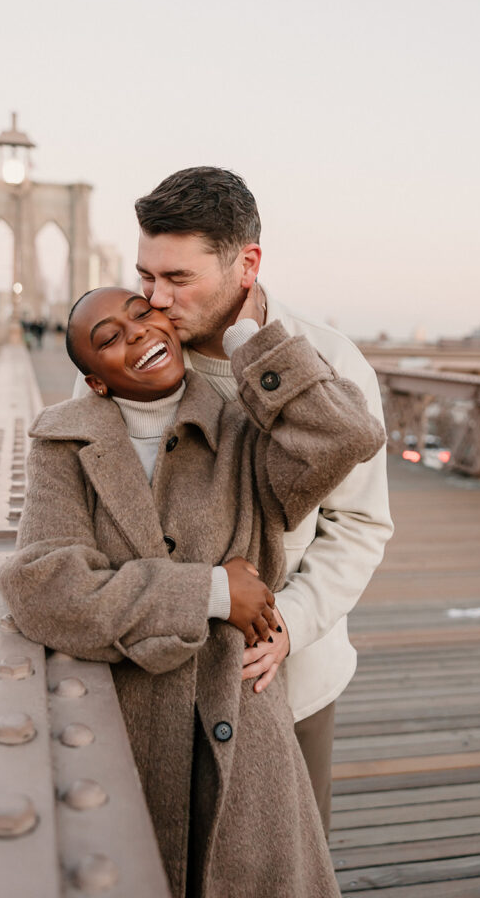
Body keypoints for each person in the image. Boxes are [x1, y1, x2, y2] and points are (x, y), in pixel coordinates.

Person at [0, 285, 385, 898]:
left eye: (144, 312)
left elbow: (346, 437)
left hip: (244, 732)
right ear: (95, 381)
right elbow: (43, 587)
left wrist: (254, 340)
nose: (138, 332)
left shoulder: (246, 427)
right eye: (109, 339)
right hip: (121, 735)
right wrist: (210, 592)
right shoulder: (63, 445)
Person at [131, 167, 394, 832]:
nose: (156, 300)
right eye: (144, 276)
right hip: (161, 679)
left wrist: (291, 625)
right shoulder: (129, 359)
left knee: (289, 863)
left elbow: (359, 524)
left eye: (178, 279)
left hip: (288, 680)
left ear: (246, 264)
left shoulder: (331, 362)